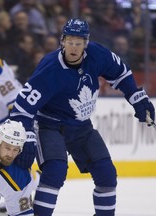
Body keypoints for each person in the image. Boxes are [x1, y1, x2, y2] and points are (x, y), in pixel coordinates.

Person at [9, 18, 155, 216]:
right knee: (54, 172)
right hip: (50, 126)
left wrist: (138, 99)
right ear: (62, 41)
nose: (74, 47)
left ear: (86, 44)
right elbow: (22, 108)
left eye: (79, 43)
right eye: (70, 41)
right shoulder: (49, 69)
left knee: (107, 175)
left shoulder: (97, 54)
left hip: (81, 127)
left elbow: (122, 74)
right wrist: (27, 137)